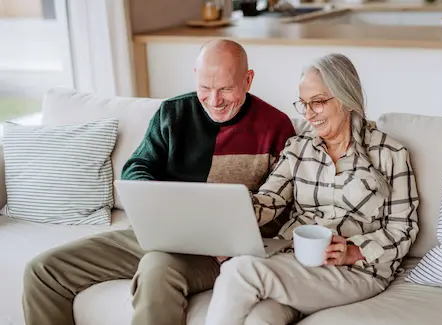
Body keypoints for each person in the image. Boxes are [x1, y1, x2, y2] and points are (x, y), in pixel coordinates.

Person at [22, 39, 296, 325]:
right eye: (205, 88)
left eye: (226, 88)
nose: (214, 101)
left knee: (157, 269)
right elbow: (137, 167)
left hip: (219, 253)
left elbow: (284, 208)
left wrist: (236, 241)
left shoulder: (276, 127)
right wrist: (151, 202)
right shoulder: (173, 113)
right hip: (159, 235)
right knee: (43, 270)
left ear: (248, 80)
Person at [204, 53, 420, 325]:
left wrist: (355, 250)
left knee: (239, 271)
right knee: (259, 319)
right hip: (297, 263)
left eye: (317, 103)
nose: (308, 115)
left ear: (345, 98)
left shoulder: (390, 153)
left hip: (358, 272)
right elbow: (268, 201)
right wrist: (230, 209)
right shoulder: (299, 147)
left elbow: (404, 228)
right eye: (303, 104)